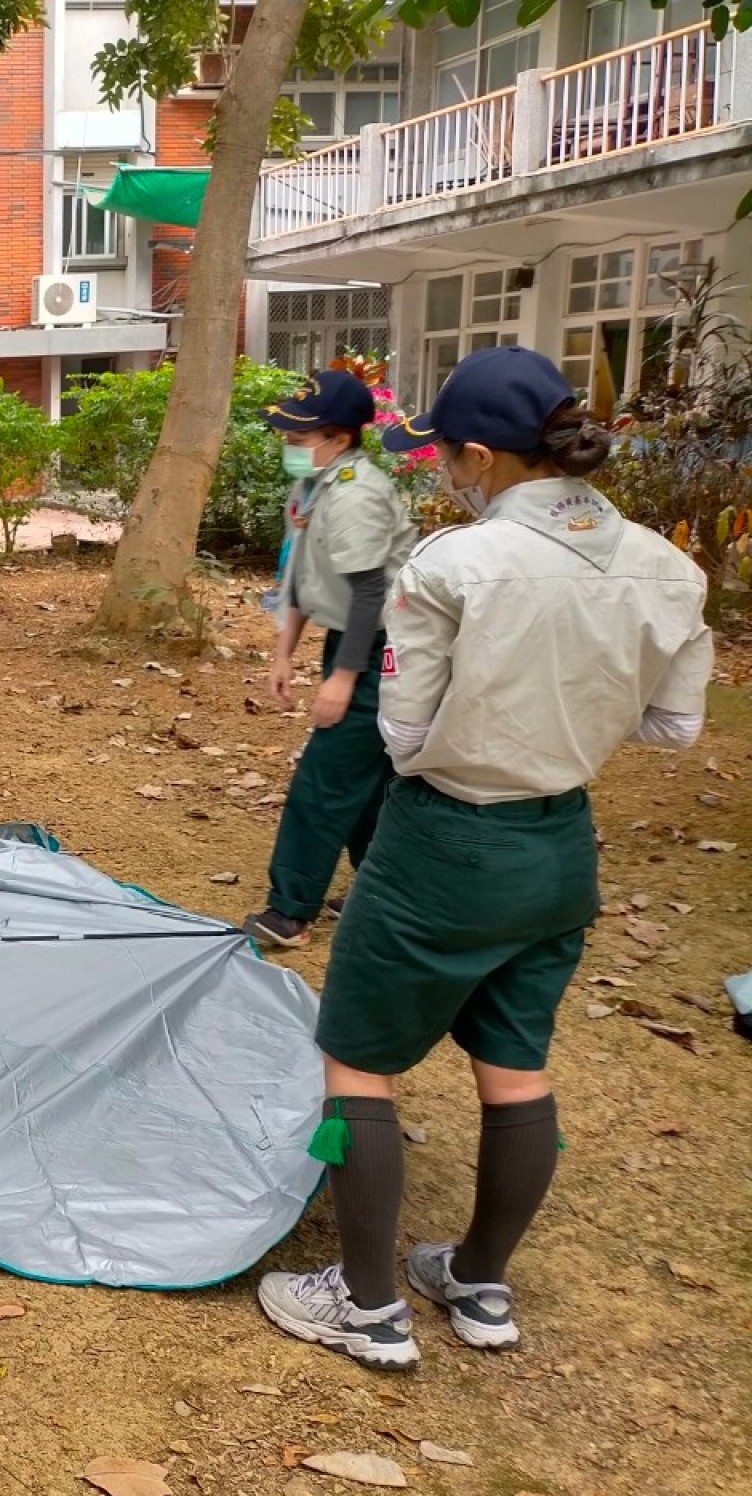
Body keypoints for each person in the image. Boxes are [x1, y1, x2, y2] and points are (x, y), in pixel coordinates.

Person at [257, 346, 712, 1371]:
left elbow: (404, 734)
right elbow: (675, 725)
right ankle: (478, 1280)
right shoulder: (668, 566)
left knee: (357, 1064)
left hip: (443, 841)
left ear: (478, 455)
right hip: (559, 848)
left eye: (445, 456)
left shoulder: (451, 565)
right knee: (514, 1067)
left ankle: (367, 1304)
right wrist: (568, 717)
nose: (444, 472)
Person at [244, 369, 418, 950]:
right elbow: (297, 575)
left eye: (298, 438)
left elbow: (369, 593)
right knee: (366, 777)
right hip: (347, 639)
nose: (288, 447)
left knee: (326, 779)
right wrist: (283, 654)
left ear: (339, 439)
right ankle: (380, 886)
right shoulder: (313, 486)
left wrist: (344, 679)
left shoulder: (356, 495)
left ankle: (290, 912)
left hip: (379, 646)